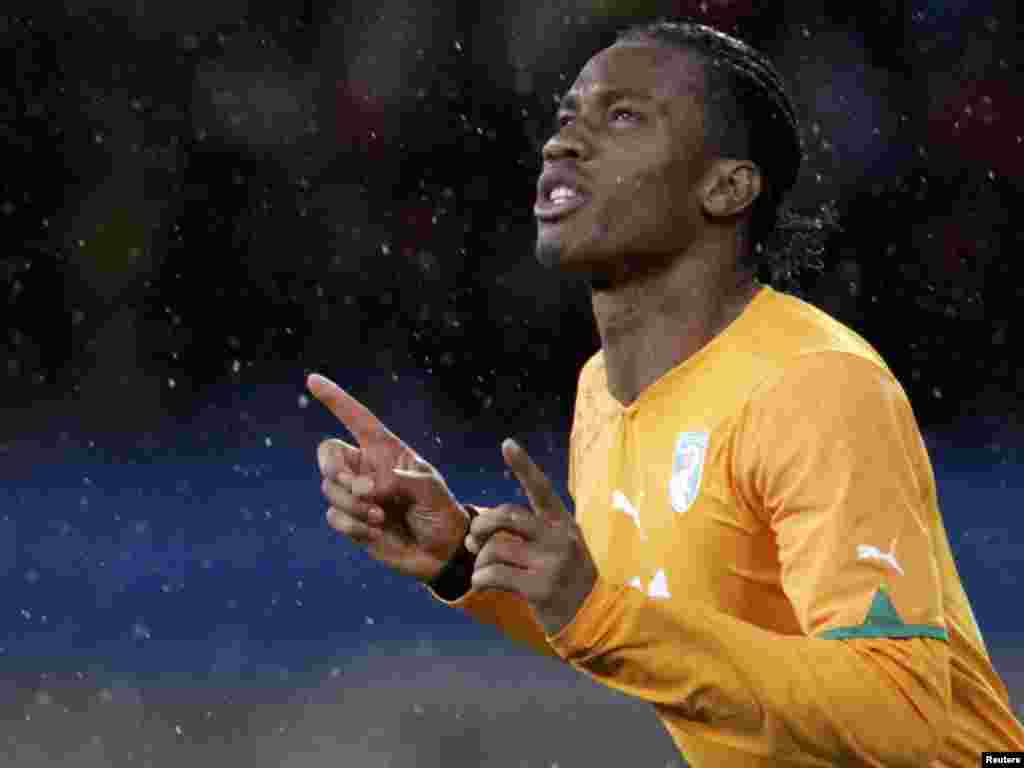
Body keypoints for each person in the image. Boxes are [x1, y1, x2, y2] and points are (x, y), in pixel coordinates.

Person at [308, 20, 1024, 767]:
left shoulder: (814, 385)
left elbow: (898, 713)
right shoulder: (601, 390)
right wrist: (463, 553)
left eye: (622, 117)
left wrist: (603, 613)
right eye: (565, 120)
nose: (562, 144)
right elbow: (643, 627)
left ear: (726, 186)